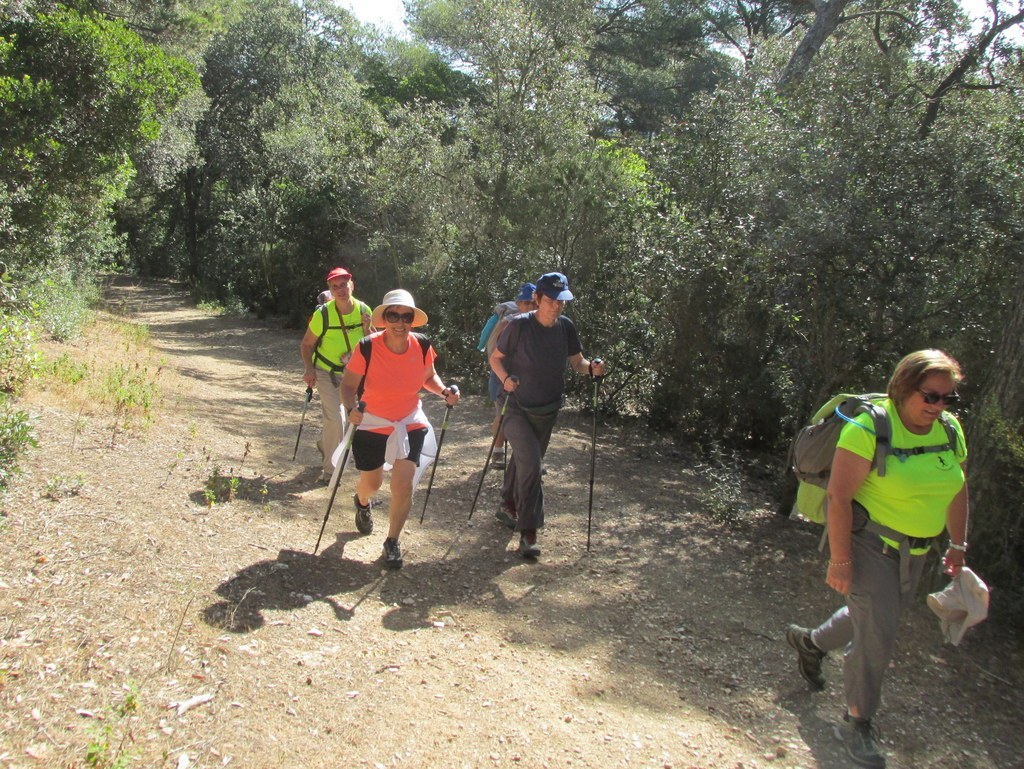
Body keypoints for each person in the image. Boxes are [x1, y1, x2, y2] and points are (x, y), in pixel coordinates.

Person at [785, 349, 969, 769]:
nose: (940, 406)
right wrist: (841, 559)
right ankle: (857, 722)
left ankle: (810, 643)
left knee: (872, 615)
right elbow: (839, 497)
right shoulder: (869, 428)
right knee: (878, 632)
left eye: (948, 399)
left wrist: (958, 545)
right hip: (870, 544)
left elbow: (958, 487)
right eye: (931, 396)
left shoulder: (949, 430)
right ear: (904, 388)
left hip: (917, 550)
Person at [488, 272, 606, 558]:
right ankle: (529, 531)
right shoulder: (518, 326)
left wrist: (592, 368)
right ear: (538, 299)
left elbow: (577, 362)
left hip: (547, 409)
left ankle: (507, 503)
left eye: (561, 301)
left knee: (524, 459)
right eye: (551, 300)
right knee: (532, 462)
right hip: (514, 405)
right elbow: (496, 358)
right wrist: (504, 379)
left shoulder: (565, 328)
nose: (556, 306)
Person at [340, 289, 460, 569]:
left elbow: (428, 377)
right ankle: (361, 502)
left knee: (403, 485)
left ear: (412, 320)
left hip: (409, 421)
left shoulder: (421, 345)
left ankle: (392, 541)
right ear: (384, 318)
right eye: (393, 315)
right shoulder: (368, 346)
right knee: (372, 483)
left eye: (406, 316)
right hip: (373, 422)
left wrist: (443, 391)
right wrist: (351, 409)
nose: (400, 322)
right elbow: (347, 386)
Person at [299, 267, 373, 482]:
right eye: (335, 286)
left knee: (352, 421)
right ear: (330, 290)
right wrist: (309, 369)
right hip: (326, 371)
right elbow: (307, 344)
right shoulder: (324, 313)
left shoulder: (364, 310)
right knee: (336, 418)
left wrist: (369, 330)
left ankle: (325, 445)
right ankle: (331, 471)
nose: (340, 290)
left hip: (354, 375)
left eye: (344, 284)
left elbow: (372, 344)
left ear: (352, 285)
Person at [482, 283, 537, 469]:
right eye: (525, 303)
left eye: (532, 303)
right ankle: (497, 451)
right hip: (502, 374)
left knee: (528, 417)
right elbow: (495, 352)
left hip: (526, 377)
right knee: (502, 415)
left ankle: (526, 458)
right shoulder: (508, 322)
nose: (529, 307)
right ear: (518, 303)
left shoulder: (542, 324)